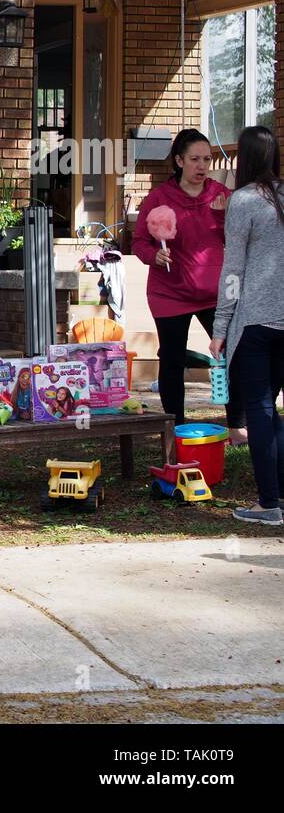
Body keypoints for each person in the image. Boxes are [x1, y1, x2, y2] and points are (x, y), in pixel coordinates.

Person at [132, 128, 245, 438]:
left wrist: (224, 218)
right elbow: (139, 242)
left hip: (214, 294)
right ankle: (176, 428)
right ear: (179, 160)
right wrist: (153, 256)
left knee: (231, 355)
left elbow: (239, 238)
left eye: (207, 159)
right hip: (169, 294)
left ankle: (236, 424)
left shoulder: (221, 195)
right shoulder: (159, 197)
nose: (202, 166)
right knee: (171, 360)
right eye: (195, 159)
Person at [209, 126, 284, 525]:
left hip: (255, 321)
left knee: (259, 409)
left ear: (245, 160)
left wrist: (220, 327)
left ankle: (268, 504)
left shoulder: (244, 200)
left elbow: (233, 270)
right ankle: (277, 499)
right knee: (270, 408)